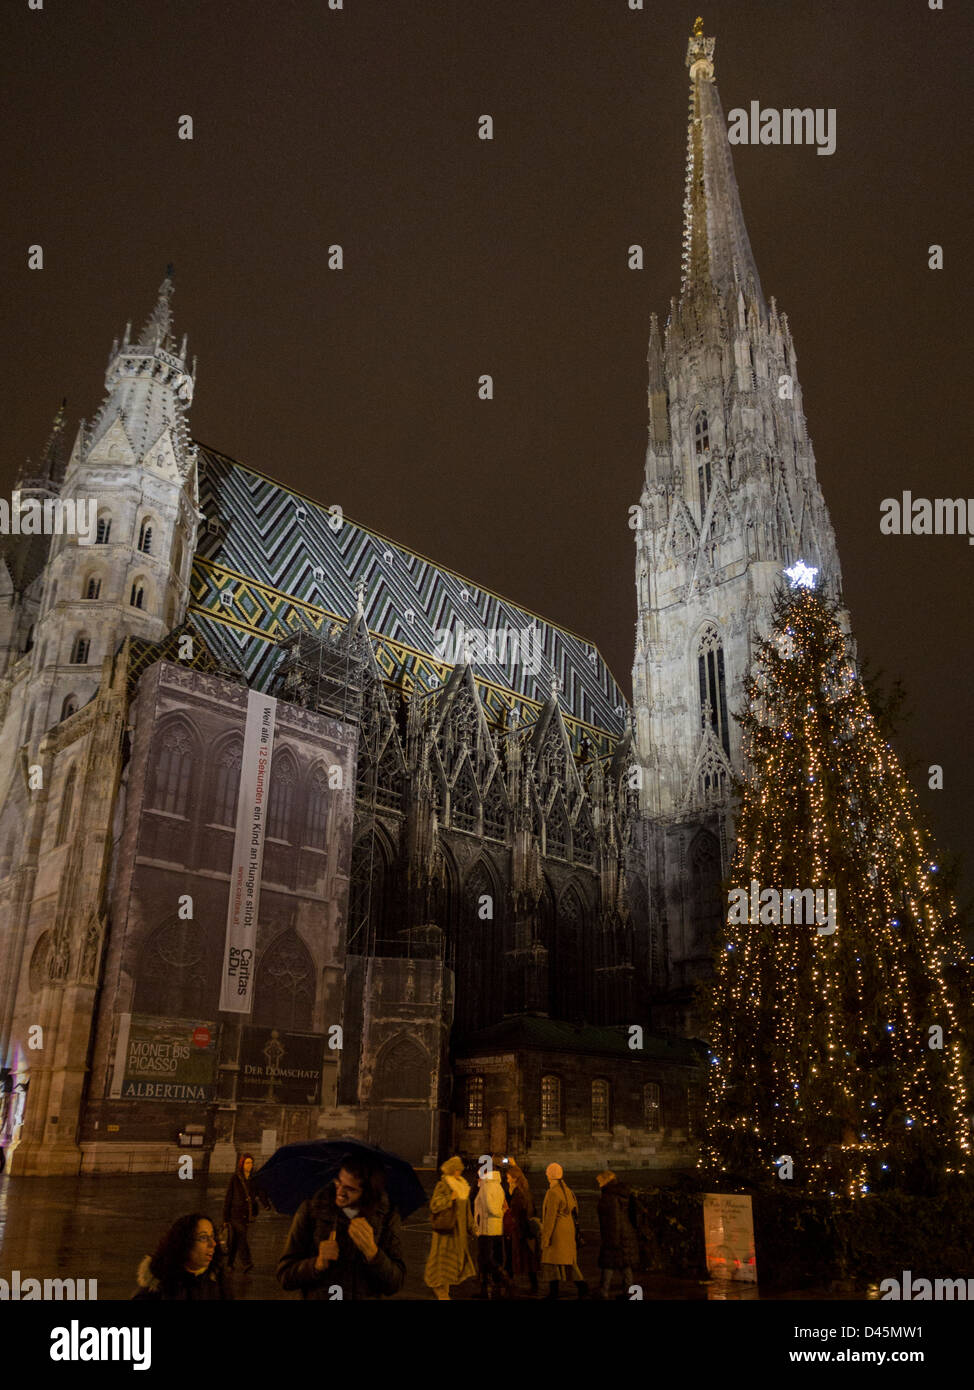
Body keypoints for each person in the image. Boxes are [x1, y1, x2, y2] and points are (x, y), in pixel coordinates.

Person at [276, 1153, 405, 1300]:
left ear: (368, 1192)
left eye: (350, 1189)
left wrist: (373, 1253)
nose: (340, 1192)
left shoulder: (387, 1216)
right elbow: (284, 1276)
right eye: (338, 1182)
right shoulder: (313, 1209)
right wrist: (316, 1264)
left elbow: (395, 1284)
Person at [132, 1213, 232, 1300]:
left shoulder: (217, 1279)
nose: (213, 1243)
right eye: (203, 1238)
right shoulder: (157, 1284)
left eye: (212, 1236)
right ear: (185, 1243)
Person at [423, 1155, 477, 1300]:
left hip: (458, 1235)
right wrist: (449, 1199)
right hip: (445, 1234)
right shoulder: (443, 1185)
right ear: (453, 1170)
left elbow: (467, 1211)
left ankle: (444, 1293)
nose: (460, 1172)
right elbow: (434, 1205)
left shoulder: (463, 1186)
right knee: (441, 1267)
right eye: (458, 1169)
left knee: (451, 1268)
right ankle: (442, 1294)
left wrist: (472, 1227)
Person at [539, 1162, 588, 1299]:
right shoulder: (568, 1191)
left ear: (550, 1176)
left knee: (552, 1262)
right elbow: (575, 1211)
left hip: (557, 1232)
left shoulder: (553, 1193)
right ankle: (581, 1286)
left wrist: (545, 1238)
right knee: (568, 1262)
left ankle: (556, 1292)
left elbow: (550, 1218)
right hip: (568, 1229)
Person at [595, 1169, 640, 1299]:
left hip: (615, 1235)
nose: (598, 1185)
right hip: (626, 1233)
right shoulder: (623, 1194)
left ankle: (604, 1291)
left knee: (608, 1263)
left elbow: (613, 1220)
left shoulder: (609, 1197)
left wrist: (611, 1241)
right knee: (625, 1264)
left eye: (599, 1182)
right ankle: (629, 1291)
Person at [474, 1165, 512, 1299]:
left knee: (485, 1259)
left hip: (487, 1229)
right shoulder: (498, 1186)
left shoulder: (486, 1187)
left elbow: (490, 1208)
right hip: (496, 1229)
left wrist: (498, 1213)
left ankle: (502, 1275)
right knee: (492, 1257)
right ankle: (490, 1288)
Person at [503, 1158, 539, 1295]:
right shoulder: (525, 1189)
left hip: (519, 1231)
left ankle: (509, 1284)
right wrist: (514, 1165)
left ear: (514, 1178)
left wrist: (506, 1211)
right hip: (524, 1230)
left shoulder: (518, 1195)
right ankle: (531, 1285)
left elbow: (517, 1214)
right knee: (528, 1260)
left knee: (515, 1258)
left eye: (508, 1178)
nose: (507, 1180)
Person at [223, 1152, 259, 1272]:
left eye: (251, 1163)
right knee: (242, 1237)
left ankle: (229, 1263)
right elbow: (228, 1197)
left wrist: (257, 1209)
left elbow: (256, 1195)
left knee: (235, 1240)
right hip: (235, 1213)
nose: (250, 1165)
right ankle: (247, 1262)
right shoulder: (235, 1178)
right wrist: (225, 1218)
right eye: (247, 1163)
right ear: (242, 1164)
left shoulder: (253, 1179)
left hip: (246, 1215)